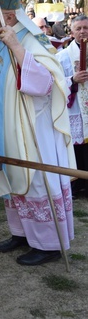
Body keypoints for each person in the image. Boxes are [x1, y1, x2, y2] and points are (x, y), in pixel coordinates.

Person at [0, 0, 76, 266]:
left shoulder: (32, 40)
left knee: (35, 181)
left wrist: (18, 48)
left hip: (34, 131)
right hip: (3, 128)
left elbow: (49, 83)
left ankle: (47, 244)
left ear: (8, 16)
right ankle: (21, 233)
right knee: (11, 179)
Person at [57, 15, 88, 199]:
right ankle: (76, 186)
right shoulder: (62, 56)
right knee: (75, 148)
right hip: (74, 108)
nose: (83, 31)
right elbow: (54, 82)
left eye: (86, 28)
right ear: (72, 31)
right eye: (79, 28)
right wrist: (72, 80)